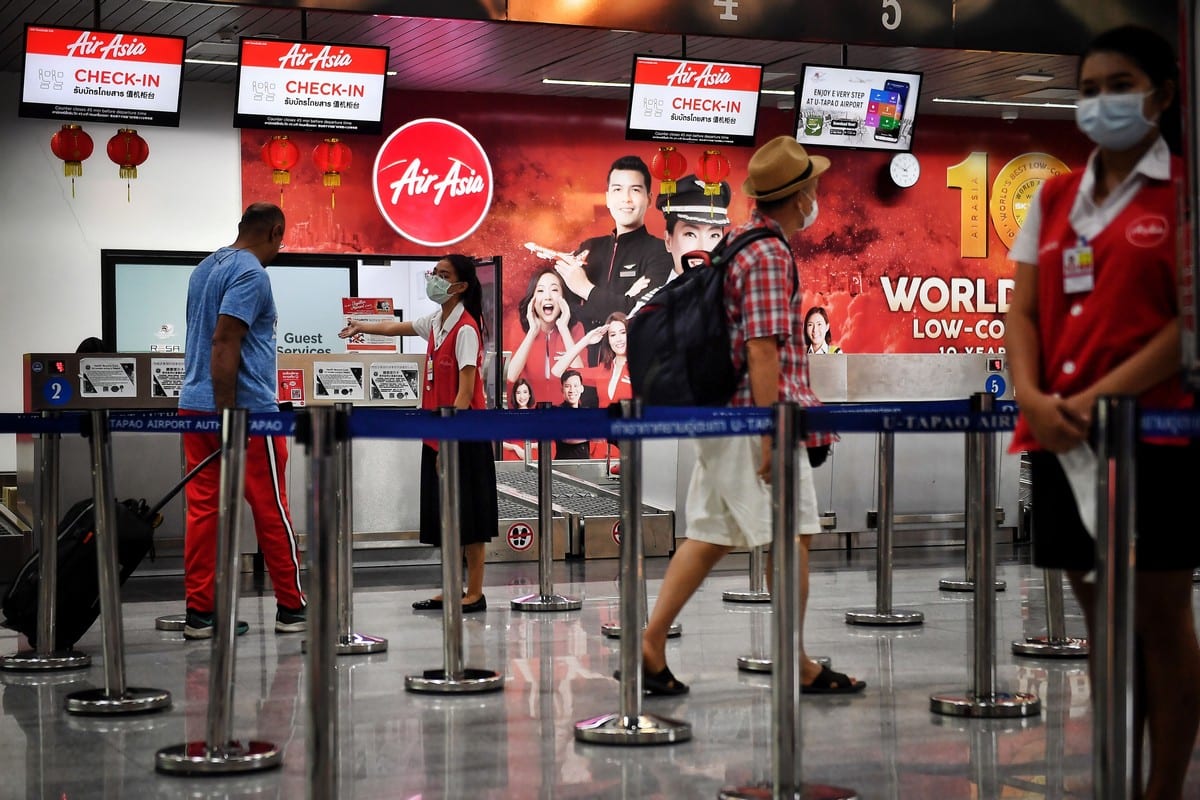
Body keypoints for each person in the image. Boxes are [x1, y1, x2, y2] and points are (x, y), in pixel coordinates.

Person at [1005, 25, 1199, 799]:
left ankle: (1161, 790)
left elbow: (1188, 322)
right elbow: (1022, 311)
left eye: (1120, 85)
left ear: (1163, 94)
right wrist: (1031, 394)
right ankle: (1115, 782)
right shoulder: (1055, 195)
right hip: (1061, 435)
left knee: (1159, 617)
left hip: (1155, 433)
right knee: (1106, 626)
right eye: (1088, 88)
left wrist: (1092, 398)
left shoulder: (1185, 191)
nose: (1101, 102)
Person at [639, 137, 863, 696]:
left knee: (711, 533)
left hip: (727, 418)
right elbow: (763, 350)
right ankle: (798, 663)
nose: (817, 193)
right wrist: (771, 430)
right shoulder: (766, 254)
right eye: (812, 184)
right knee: (795, 535)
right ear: (800, 193)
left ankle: (649, 645)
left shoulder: (740, 241)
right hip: (751, 420)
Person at [340, 255, 499, 613]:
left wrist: (448, 441)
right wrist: (361, 326)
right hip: (436, 436)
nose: (435, 280)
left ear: (459, 286)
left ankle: (474, 592)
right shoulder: (438, 322)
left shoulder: (467, 330)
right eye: (434, 273)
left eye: (443, 275)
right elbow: (400, 328)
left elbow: (465, 392)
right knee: (447, 516)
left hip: (461, 439)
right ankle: (451, 586)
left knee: (470, 520)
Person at [177, 202, 306, 639]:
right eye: (281, 241)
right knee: (271, 509)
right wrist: (230, 414)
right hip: (245, 413)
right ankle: (292, 607)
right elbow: (224, 340)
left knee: (203, 510)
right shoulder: (252, 273)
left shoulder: (204, 268)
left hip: (194, 406)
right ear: (274, 232)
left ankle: (201, 613)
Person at [552, 155, 674, 328]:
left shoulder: (662, 252)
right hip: (586, 353)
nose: (626, 198)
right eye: (618, 189)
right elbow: (564, 310)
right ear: (608, 198)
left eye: (635, 190)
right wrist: (625, 300)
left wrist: (585, 289)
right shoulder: (590, 247)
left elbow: (640, 315)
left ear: (649, 199)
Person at [505, 269, 585, 404]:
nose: (548, 297)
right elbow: (511, 376)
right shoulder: (518, 327)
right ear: (533, 299)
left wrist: (564, 329)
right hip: (529, 413)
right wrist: (532, 332)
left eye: (554, 290)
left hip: (565, 412)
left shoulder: (576, 328)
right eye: (540, 291)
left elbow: (581, 378)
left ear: (563, 298)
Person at [551, 312, 631, 407]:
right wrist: (586, 340)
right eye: (613, 335)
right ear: (608, 341)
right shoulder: (603, 370)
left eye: (623, 332)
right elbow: (557, 372)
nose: (618, 339)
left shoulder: (640, 368)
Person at [552, 369, 591, 460]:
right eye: (567, 386)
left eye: (575, 386)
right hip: (564, 468)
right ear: (562, 389)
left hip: (584, 467)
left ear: (582, 389)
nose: (572, 390)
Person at [502, 378, 537, 461]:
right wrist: (515, 447)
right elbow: (500, 442)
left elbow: (546, 443)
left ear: (529, 394)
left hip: (533, 457)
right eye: (518, 393)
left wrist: (530, 446)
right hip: (512, 459)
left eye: (525, 392)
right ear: (514, 395)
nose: (522, 396)